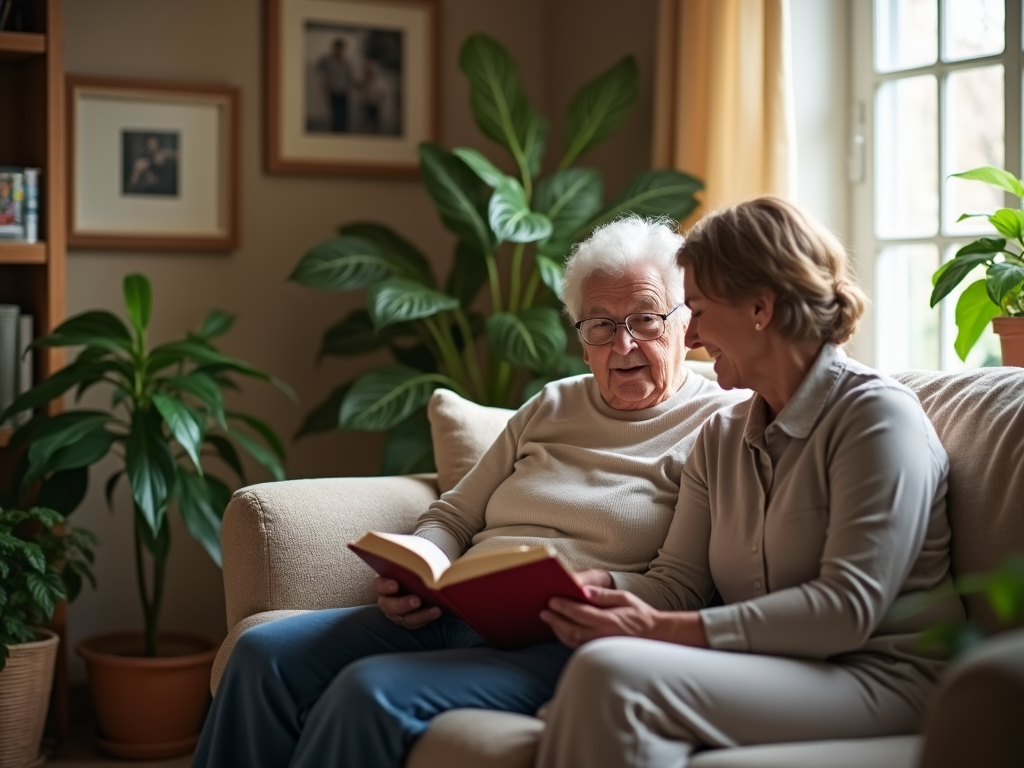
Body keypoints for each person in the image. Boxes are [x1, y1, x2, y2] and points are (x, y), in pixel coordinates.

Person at [190, 216, 747, 768]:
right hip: (450, 613)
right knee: (260, 654)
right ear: (581, 340)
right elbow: (454, 515)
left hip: (563, 639)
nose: (622, 343)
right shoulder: (552, 404)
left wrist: (596, 588)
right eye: (599, 324)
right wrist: (422, 567)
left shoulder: (719, 424)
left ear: (685, 325)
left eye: (645, 319)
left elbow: (681, 588)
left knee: (370, 691)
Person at [535, 197, 965, 768]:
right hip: (774, 670)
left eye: (701, 311)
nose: (689, 338)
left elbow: (845, 608)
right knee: (599, 671)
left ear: (761, 308)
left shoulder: (877, 419)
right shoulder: (721, 436)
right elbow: (676, 583)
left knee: (612, 677)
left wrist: (659, 630)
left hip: (885, 678)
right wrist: (594, 589)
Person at [318, 38, 355, 132]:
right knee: (335, 115)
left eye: (341, 48)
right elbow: (321, 75)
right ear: (334, 48)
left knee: (344, 115)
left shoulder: (346, 62)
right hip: (333, 91)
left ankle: (342, 133)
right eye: (337, 48)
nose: (339, 50)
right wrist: (324, 91)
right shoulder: (327, 60)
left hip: (343, 92)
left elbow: (349, 77)